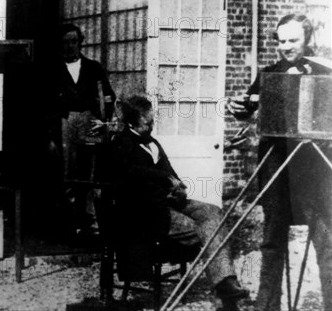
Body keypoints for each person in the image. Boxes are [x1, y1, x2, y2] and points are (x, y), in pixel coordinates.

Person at [227, 14, 332, 311]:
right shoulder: (269, 73)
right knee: (272, 242)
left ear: (307, 39)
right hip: (276, 168)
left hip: (315, 171)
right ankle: (267, 306)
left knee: (327, 244)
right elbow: (248, 107)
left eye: (293, 40)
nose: (286, 47)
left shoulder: (326, 71)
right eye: (281, 41)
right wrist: (239, 108)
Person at [110, 95, 249, 305]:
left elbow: (170, 174)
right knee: (204, 228)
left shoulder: (153, 143)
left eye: (153, 120)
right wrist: (165, 180)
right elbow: (130, 176)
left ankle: (225, 283)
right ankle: (223, 288)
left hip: (169, 202)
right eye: (148, 122)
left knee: (213, 212)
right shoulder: (121, 144)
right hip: (147, 213)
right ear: (131, 122)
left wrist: (178, 186)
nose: (152, 125)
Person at [48, 23, 115, 237]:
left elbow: (108, 97)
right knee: (67, 174)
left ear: (80, 42)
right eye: (65, 42)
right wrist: (50, 136)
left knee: (90, 173)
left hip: (89, 121)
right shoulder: (53, 69)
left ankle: (90, 224)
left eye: (74, 41)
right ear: (60, 45)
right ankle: (70, 225)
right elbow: (45, 104)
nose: (70, 46)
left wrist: (103, 121)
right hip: (65, 122)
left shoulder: (93, 67)